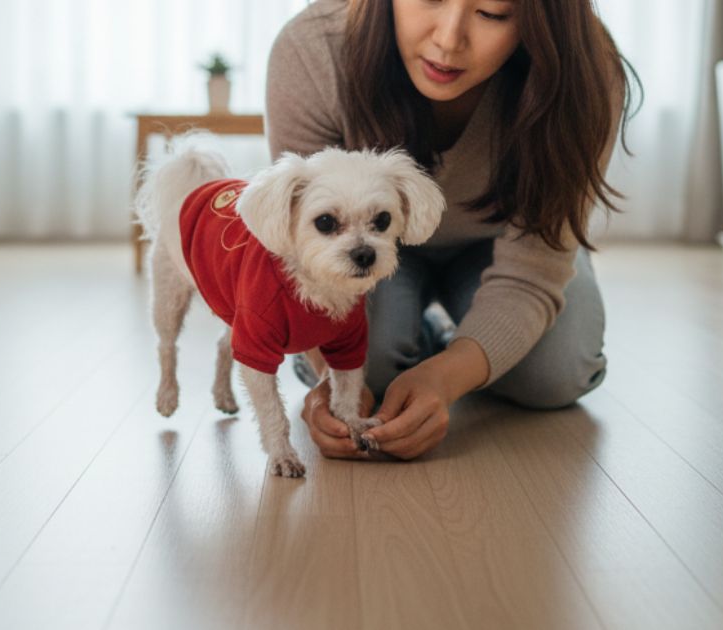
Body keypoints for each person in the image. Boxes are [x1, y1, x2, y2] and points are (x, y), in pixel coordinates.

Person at [264, 0, 635, 461]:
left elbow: (533, 272)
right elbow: (302, 256)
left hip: (503, 244)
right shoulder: (313, 49)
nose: (448, 39)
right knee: (368, 371)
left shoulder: (586, 70)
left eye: (492, 14)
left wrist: (446, 377)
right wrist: (331, 381)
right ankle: (421, 335)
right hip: (371, 250)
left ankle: (434, 341)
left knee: (556, 374)